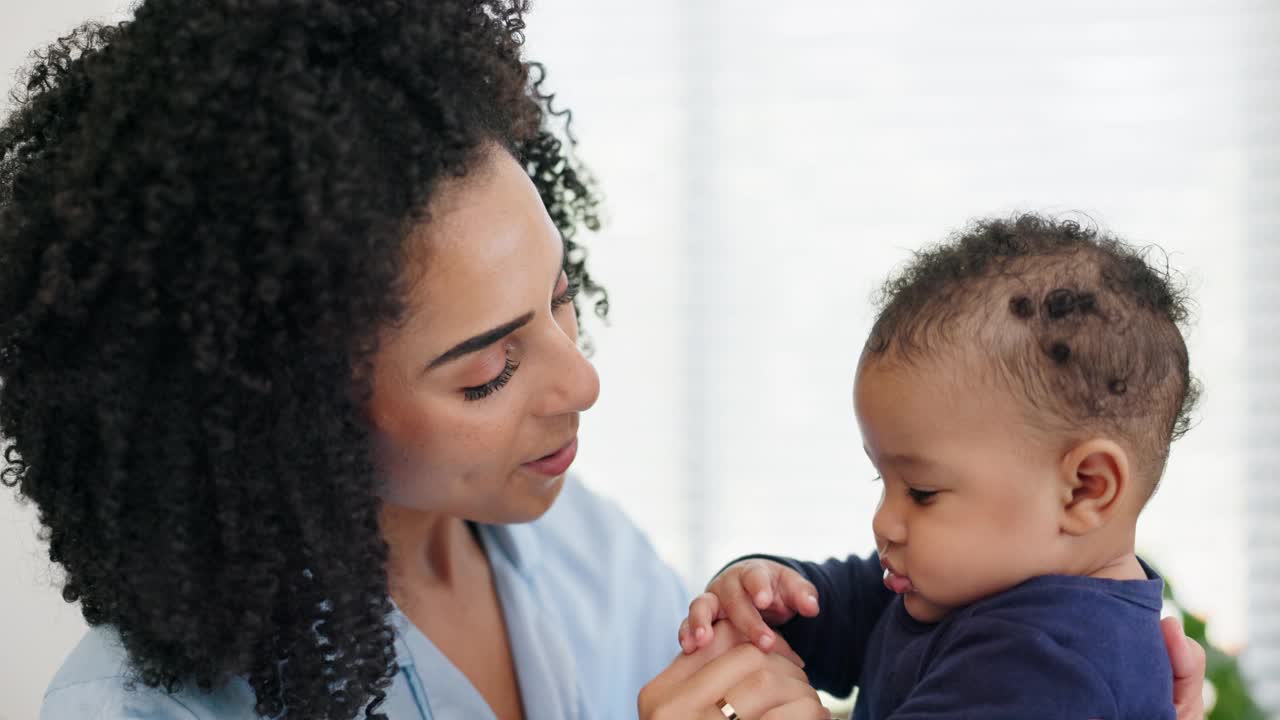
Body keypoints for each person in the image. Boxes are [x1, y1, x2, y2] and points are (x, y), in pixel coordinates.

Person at [0, 1, 1203, 718]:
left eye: (562, 303)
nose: (580, 384)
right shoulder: (147, 705)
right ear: (283, 412)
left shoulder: (571, 546)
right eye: (484, 372)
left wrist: (1050, 625)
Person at [680, 215, 1209, 719]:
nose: (883, 522)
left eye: (922, 491)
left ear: (1084, 490)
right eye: (881, 480)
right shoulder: (953, 583)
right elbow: (842, 610)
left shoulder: (1051, 666)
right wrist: (768, 593)